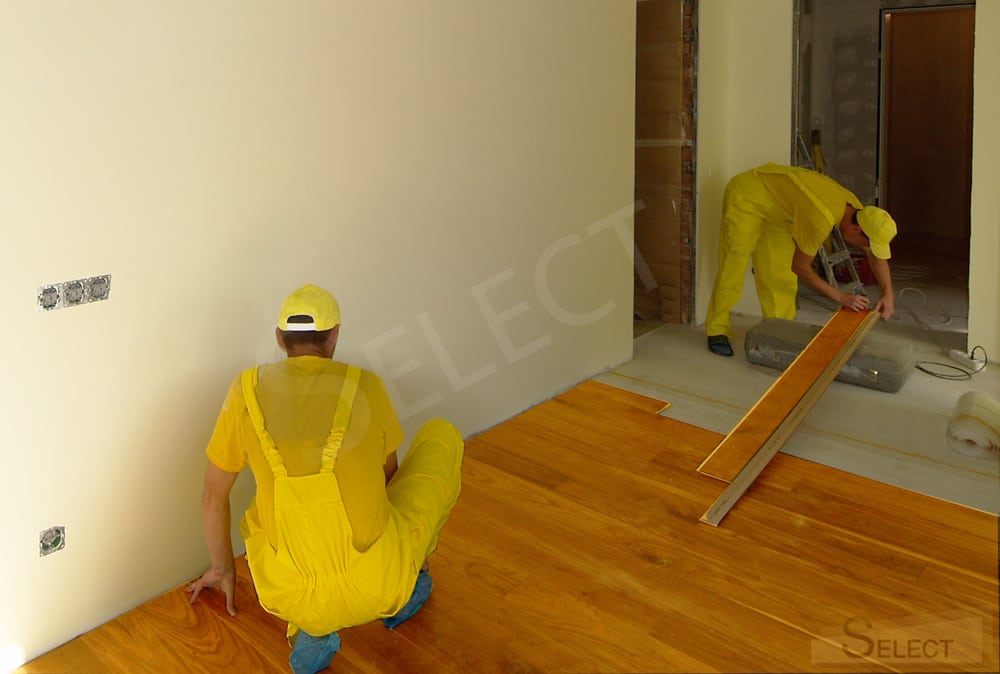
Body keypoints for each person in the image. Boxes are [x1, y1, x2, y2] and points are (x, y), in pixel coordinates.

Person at [187, 284, 464, 674]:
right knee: (441, 437)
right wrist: (412, 553)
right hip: (379, 585)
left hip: (288, 594)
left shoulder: (244, 390)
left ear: (280, 338)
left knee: (259, 508)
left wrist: (222, 570)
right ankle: (409, 589)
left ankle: (311, 630)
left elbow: (211, 495)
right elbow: (390, 480)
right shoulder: (365, 385)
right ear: (334, 336)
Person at [705, 162, 898, 357]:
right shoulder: (821, 219)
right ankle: (717, 329)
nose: (864, 247)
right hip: (747, 197)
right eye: (866, 243)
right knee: (734, 263)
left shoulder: (860, 212)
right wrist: (840, 296)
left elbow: (874, 255)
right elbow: (800, 267)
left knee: (780, 274)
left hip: (779, 212)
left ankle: (779, 331)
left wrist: (888, 293)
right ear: (856, 229)